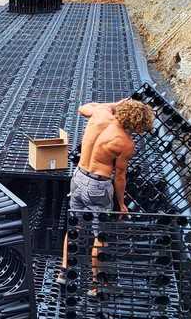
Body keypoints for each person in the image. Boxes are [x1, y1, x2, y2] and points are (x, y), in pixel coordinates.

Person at [64, 98, 155, 281]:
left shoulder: (100, 113)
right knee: (101, 235)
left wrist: (114, 105)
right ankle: (96, 282)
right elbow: (120, 177)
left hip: (78, 177)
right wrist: (121, 203)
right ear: (137, 125)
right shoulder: (125, 143)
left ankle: (64, 272)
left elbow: (82, 108)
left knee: (74, 226)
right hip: (98, 186)